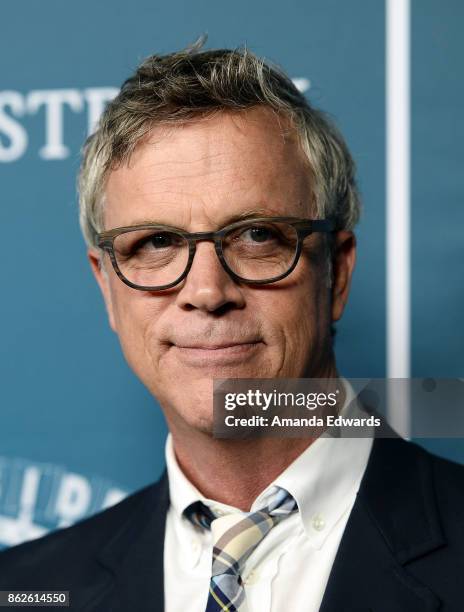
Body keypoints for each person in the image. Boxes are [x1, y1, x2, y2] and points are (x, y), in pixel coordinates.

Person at [1, 41, 463, 612]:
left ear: (337, 273)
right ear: (108, 289)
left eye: (257, 236)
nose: (206, 292)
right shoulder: (26, 589)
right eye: (157, 243)